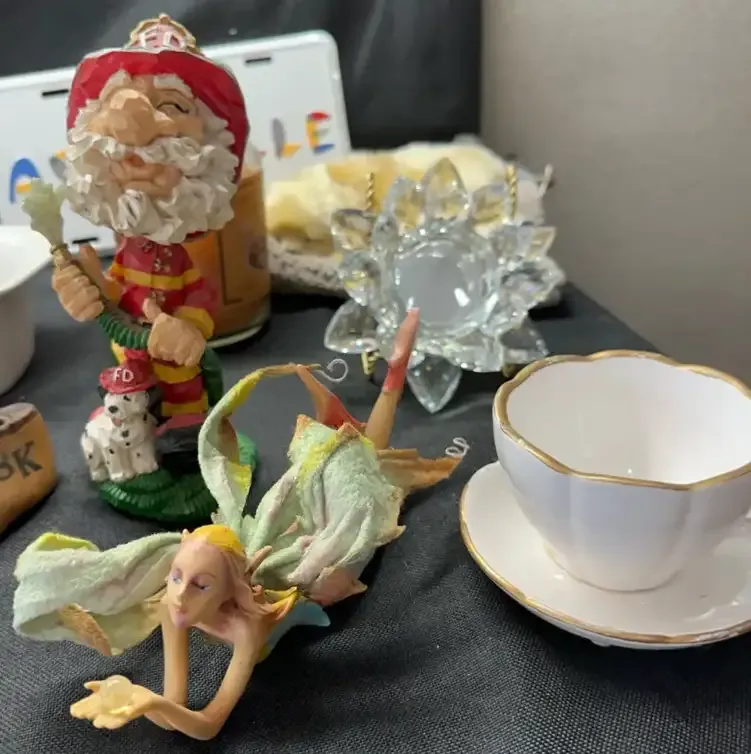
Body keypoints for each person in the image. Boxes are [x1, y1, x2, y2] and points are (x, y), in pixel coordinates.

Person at [50, 14, 249, 419]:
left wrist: (189, 328)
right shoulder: (128, 251)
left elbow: (199, 295)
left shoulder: (180, 259)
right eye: (118, 101)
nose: (136, 131)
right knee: (132, 411)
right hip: (129, 361)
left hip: (178, 365)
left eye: (171, 105)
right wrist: (91, 289)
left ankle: (187, 435)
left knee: (185, 408)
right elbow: (119, 290)